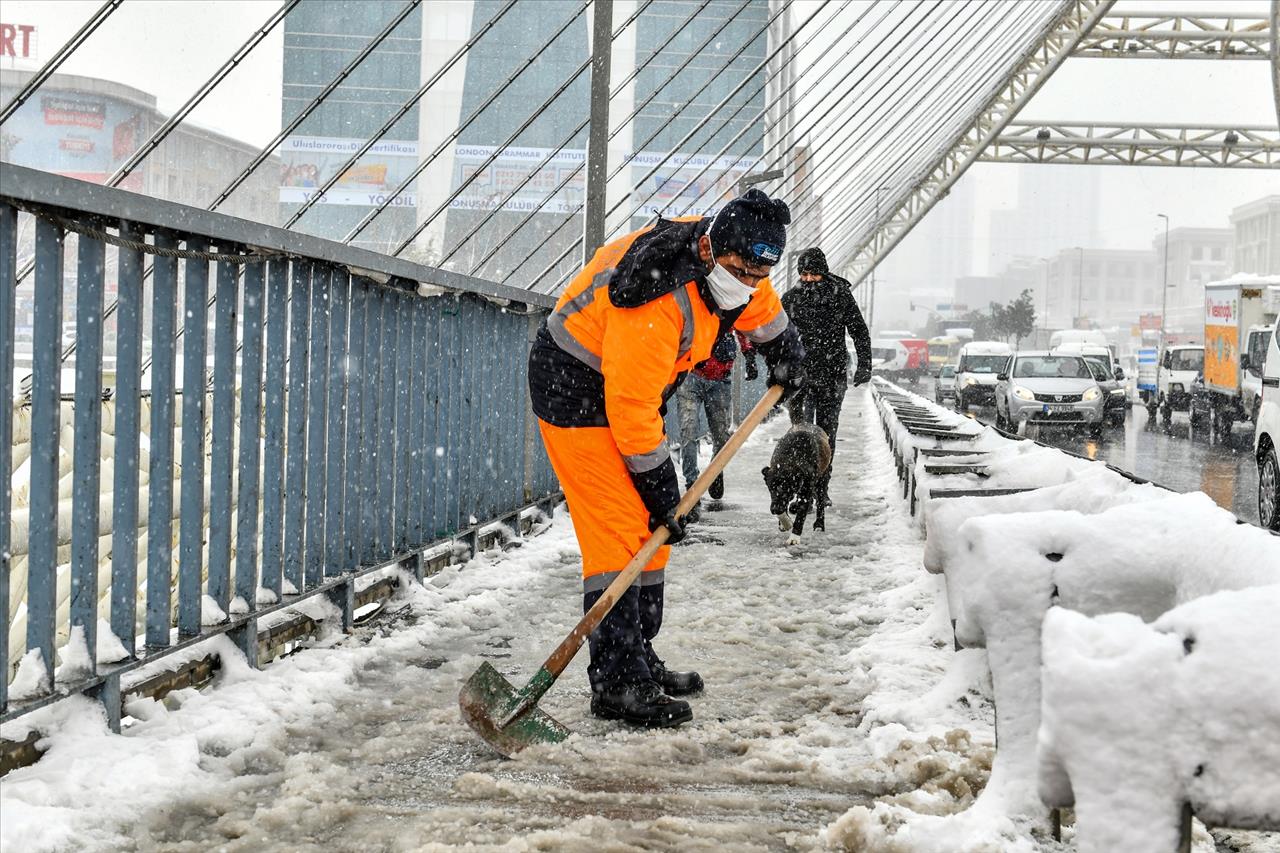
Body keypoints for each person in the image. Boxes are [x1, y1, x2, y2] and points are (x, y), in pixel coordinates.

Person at [528, 190, 805, 728]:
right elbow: (631, 412)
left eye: (758, 272)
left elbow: (762, 308)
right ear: (707, 249)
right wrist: (661, 489)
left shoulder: (738, 265)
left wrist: (785, 347)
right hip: (572, 382)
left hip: (628, 388)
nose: (747, 282)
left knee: (654, 532)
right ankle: (616, 682)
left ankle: (640, 656)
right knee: (621, 526)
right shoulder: (656, 298)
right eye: (739, 270)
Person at [782, 247, 872, 458]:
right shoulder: (791, 298)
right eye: (804, 274)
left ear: (823, 272)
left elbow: (858, 330)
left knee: (827, 434)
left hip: (832, 375)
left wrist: (865, 365)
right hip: (799, 376)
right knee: (800, 433)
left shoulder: (840, 294)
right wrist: (778, 370)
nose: (809, 279)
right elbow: (779, 337)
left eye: (814, 274)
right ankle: (803, 478)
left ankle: (821, 485)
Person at [676, 328, 757, 507]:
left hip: (720, 379)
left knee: (721, 437)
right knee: (688, 431)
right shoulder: (692, 304)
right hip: (691, 375)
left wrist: (749, 353)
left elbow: (742, 325)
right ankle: (692, 485)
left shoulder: (728, 303)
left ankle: (714, 472)